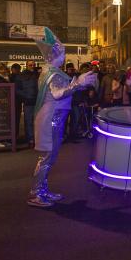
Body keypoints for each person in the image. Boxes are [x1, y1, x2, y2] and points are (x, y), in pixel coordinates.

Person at [27, 28, 96, 208]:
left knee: (50, 157)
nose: (64, 57)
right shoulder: (52, 74)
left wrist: (78, 84)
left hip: (54, 117)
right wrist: (78, 84)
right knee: (47, 158)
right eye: (62, 54)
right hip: (52, 118)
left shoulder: (51, 72)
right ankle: (36, 193)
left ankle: (42, 189)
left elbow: (63, 90)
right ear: (53, 56)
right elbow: (58, 94)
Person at [15, 61, 39, 148]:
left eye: (33, 65)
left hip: (39, 101)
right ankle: (30, 139)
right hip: (28, 102)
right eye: (30, 65)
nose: (32, 66)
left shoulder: (38, 74)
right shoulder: (21, 76)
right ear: (26, 65)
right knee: (28, 121)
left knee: (38, 121)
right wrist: (25, 96)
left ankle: (37, 138)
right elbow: (17, 89)